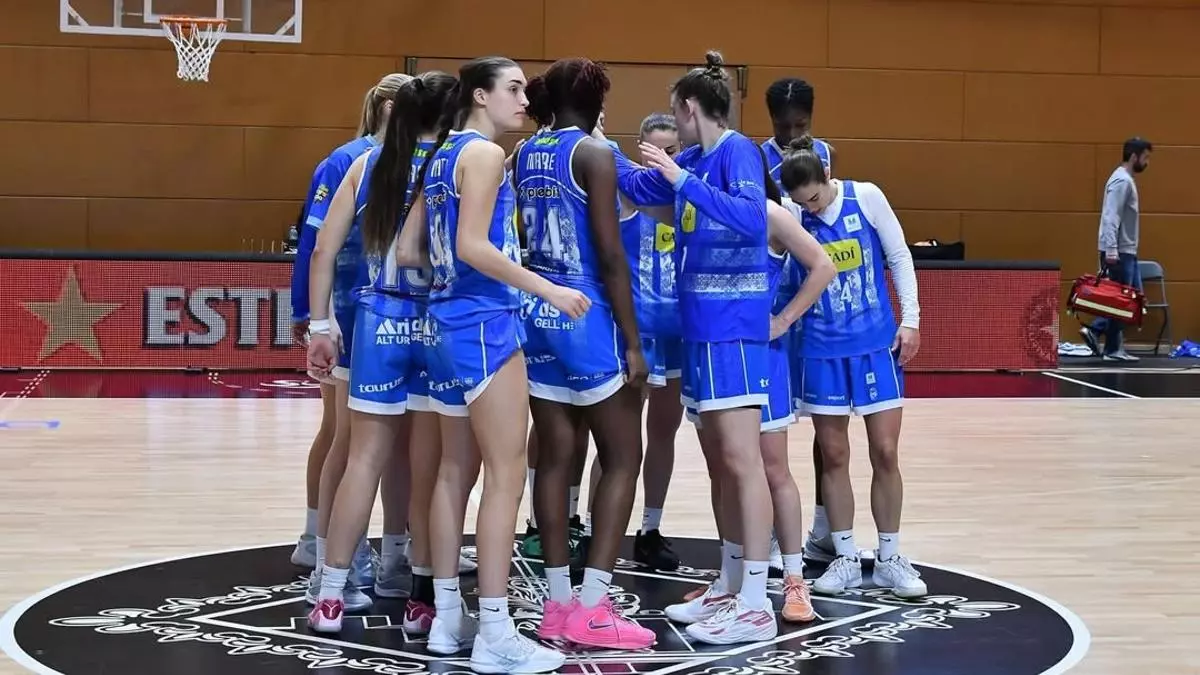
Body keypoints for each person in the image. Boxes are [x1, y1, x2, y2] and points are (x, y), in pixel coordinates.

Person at [395, 55, 586, 673]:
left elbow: (408, 249)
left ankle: (449, 617)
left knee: (454, 471)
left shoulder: (441, 155)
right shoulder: (482, 154)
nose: (524, 100)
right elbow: (474, 245)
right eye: (513, 89)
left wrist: (457, 269)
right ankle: (496, 631)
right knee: (506, 475)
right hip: (483, 323)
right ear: (480, 95)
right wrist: (548, 288)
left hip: (443, 323)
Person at [614, 50, 777, 645]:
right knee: (722, 463)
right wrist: (592, 144)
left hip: (734, 327)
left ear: (689, 108)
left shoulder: (737, 151)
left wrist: (681, 179)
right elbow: (640, 187)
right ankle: (730, 584)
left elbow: (752, 218)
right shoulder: (690, 159)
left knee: (742, 461)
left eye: (675, 113)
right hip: (700, 329)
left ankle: (757, 599)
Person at [305, 71, 460, 634]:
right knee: (427, 466)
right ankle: (419, 594)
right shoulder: (457, 163)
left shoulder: (366, 162)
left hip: (376, 319)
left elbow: (322, 250)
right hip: (435, 321)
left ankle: (329, 593)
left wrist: (320, 325)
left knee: (362, 460)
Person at [515, 57, 654, 651]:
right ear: (596, 102)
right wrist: (633, 341)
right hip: (586, 311)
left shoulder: (525, 153)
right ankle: (594, 607)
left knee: (554, 458)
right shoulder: (594, 154)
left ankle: (557, 606)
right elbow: (610, 254)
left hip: (537, 309)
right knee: (623, 457)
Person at [779, 135, 926, 598]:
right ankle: (843, 556)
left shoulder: (866, 197)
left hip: (875, 344)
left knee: (885, 451)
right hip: (820, 349)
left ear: (828, 176)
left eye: (816, 197)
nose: (813, 207)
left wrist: (911, 320)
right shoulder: (791, 214)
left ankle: (890, 558)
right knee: (834, 454)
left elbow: (899, 257)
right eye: (803, 202)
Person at [679, 187, 835, 623]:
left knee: (772, 469)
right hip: (708, 351)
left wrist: (783, 320)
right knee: (724, 470)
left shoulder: (769, 213)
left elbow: (824, 265)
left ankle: (794, 579)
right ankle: (729, 579)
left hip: (759, 355)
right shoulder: (698, 203)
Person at [295, 72, 413, 590]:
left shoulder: (425, 160)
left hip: (403, 318)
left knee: (399, 442)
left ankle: (398, 553)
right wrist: (312, 313)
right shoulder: (348, 159)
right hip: (351, 312)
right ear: (388, 106)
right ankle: (325, 550)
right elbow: (314, 244)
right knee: (344, 434)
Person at [583, 112, 686, 572]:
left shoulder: (687, 193)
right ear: (638, 151)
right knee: (617, 441)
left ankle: (650, 528)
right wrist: (594, 126)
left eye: (671, 151)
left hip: (679, 333)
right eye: (653, 151)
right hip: (634, 333)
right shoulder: (626, 191)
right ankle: (593, 531)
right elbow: (602, 150)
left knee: (664, 433)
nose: (662, 158)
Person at [761, 76, 840, 566]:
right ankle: (772, 533)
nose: (792, 134)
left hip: (814, 297)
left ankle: (824, 527)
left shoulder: (825, 154)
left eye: (800, 125)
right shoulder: (755, 158)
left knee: (824, 424)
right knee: (773, 428)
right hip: (776, 298)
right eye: (783, 125)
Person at [1080, 137, 1152, 362]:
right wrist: (1111, 249)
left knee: (1132, 299)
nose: (1147, 162)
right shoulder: (1121, 181)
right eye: (1145, 157)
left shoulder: (1125, 180)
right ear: (1134, 156)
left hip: (1126, 250)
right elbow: (1111, 216)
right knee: (1123, 301)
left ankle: (1102, 337)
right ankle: (1106, 342)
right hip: (1119, 252)